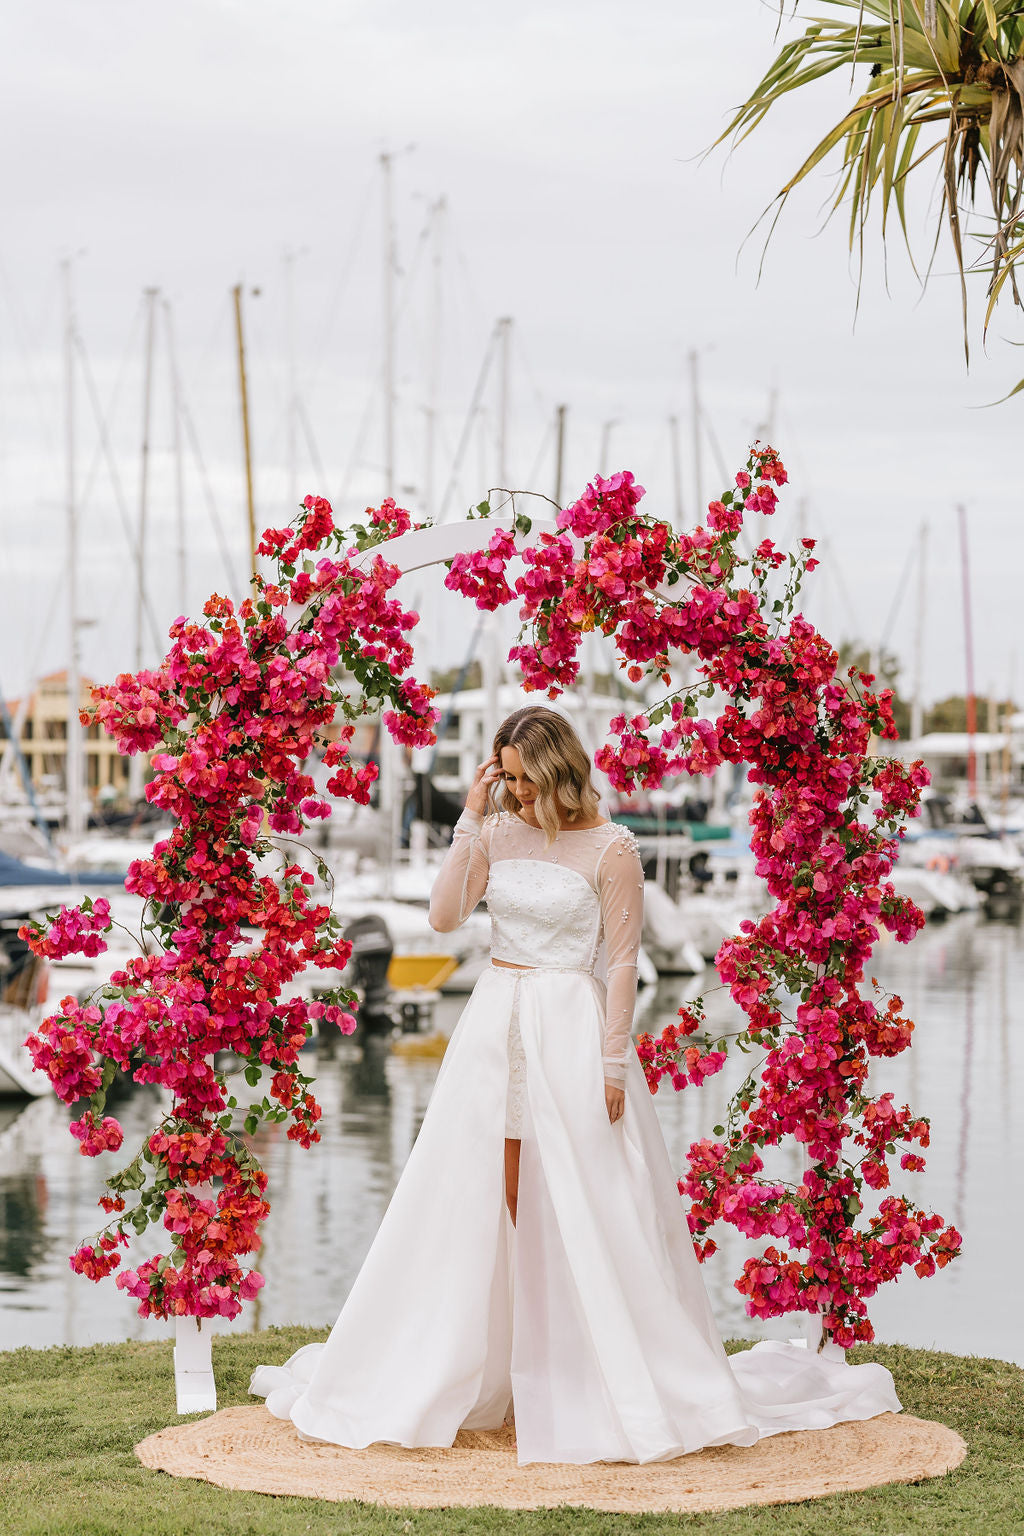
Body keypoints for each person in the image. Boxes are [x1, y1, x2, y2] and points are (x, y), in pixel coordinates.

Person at [251, 705, 900, 1465]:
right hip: (494, 1026)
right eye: (509, 779)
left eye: (526, 781)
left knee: (585, 1198)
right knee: (492, 1195)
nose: (518, 794)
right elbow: (441, 917)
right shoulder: (494, 832)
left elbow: (621, 962)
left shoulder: (613, 849)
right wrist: (469, 815)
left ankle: (584, 1371)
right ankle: (501, 1363)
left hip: (571, 1027)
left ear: (560, 773)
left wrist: (614, 1062)